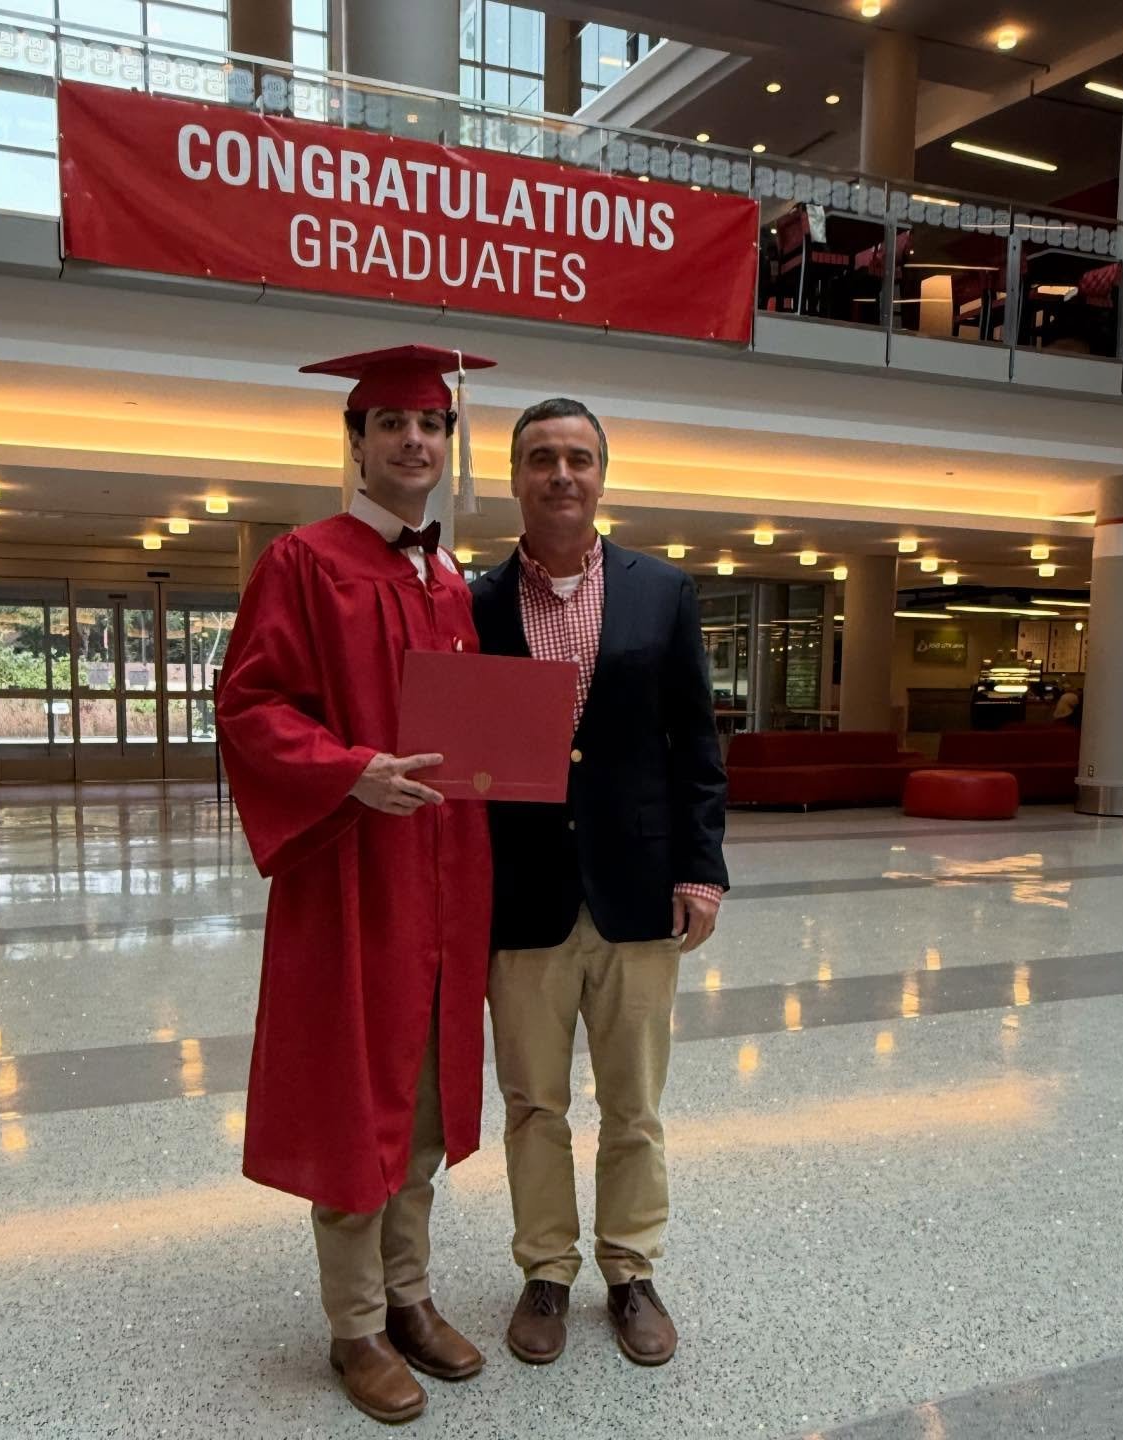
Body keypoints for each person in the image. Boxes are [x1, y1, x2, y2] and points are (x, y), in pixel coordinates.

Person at [215, 344, 495, 1425]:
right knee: (353, 1101)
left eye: (430, 426)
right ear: (359, 441)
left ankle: (413, 1295)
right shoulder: (305, 561)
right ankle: (356, 1326)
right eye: (391, 424)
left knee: (421, 1098)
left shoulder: (447, 581)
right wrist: (350, 773)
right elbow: (251, 708)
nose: (413, 442)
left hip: (442, 878)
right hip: (351, 876)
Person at [471, 397, 729, 1370]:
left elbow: (696, 744)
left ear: (602, 476)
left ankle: (630, 1270)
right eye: (542, 458)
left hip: (638, 890)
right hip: (523, 897)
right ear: (517, 478)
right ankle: (545, 1267)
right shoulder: (476, 603)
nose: (562, 474)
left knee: (635, 1104)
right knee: (535, 1103)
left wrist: (702, 869)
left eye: (579, 457)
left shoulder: (661, 593)